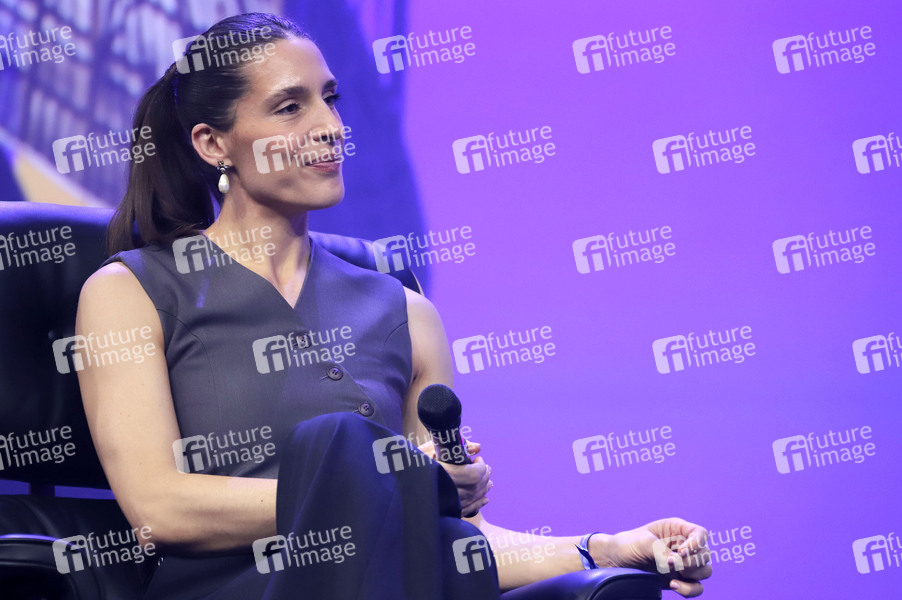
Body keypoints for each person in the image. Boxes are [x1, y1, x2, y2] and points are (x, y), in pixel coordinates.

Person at [75, 12, 712, 600]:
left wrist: (602, 548)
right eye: (290, 107)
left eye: (330, 99)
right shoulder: (130, 293)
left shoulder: (406, 312)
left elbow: (454, 543)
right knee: (341, 440)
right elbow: (159, 509)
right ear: (214, 145)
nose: (329, 126)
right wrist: (398, 487)